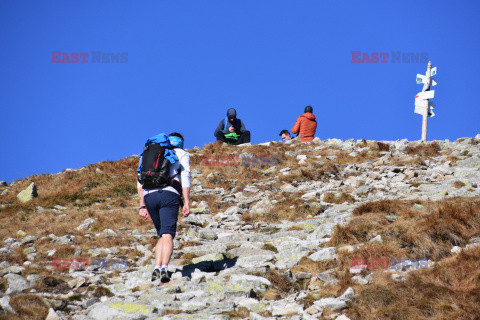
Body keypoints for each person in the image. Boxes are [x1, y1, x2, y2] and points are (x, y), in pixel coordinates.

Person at [137, 132, 190, 283]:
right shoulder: (181, 154)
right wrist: (186, 202)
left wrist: (142, 205)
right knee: (168, 234)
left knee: (162, 234)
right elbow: (185, 179)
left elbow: (140, 181)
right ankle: (164, 268)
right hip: (168, 194)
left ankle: (156, 268)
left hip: (149, 197)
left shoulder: (148, 153)